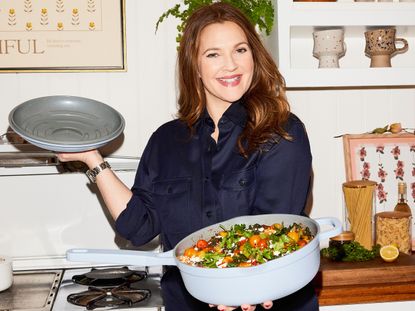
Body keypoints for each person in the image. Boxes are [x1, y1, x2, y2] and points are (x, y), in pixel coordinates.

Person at [57, 3, 317, 311]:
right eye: (213, 54)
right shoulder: (167, 141)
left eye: (240, 50)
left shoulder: (282, 132)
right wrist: (93, 159)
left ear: (254, 57)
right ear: (194, 66)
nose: (230, 65)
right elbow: (138, 227)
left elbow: (274, 232)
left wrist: (233, 285)